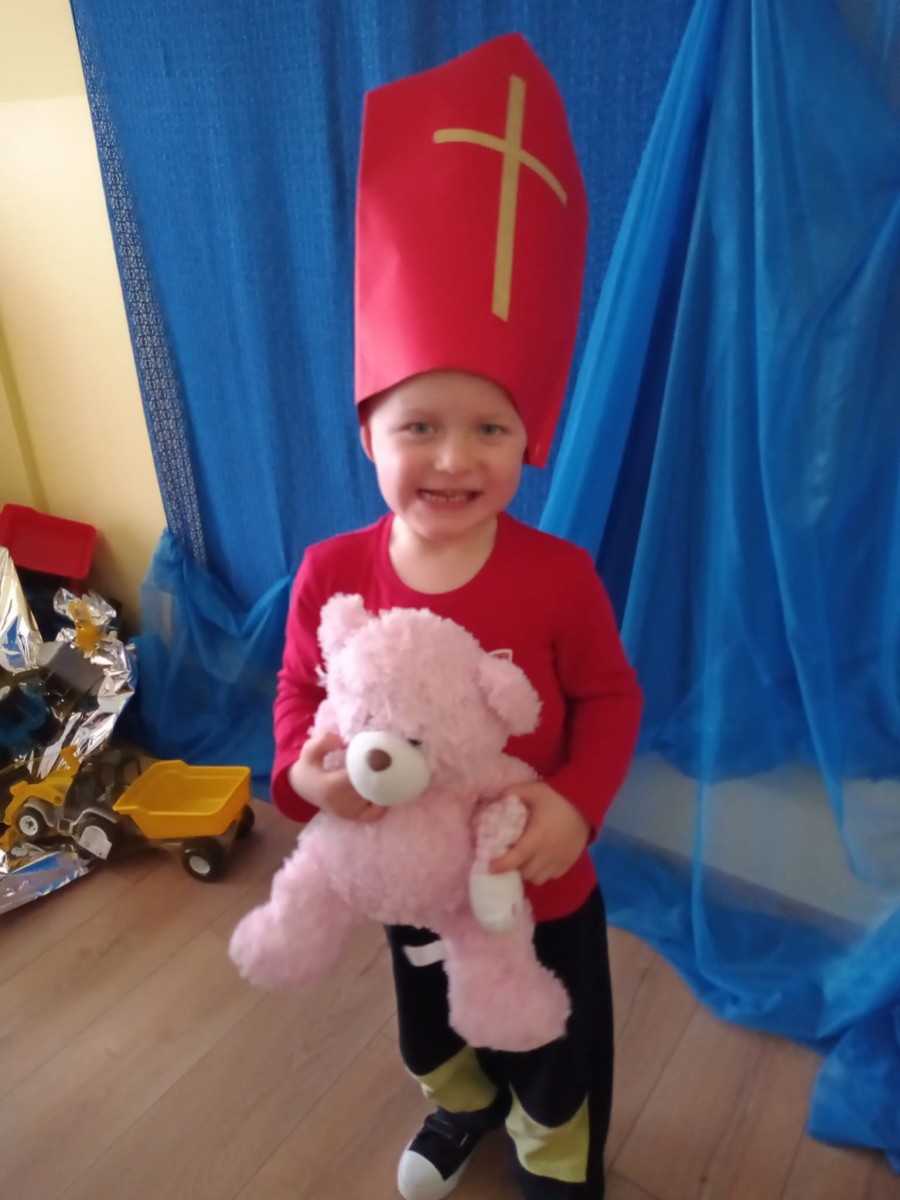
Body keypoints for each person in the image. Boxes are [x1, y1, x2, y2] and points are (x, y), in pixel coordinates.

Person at [271, 33, 643, 1200]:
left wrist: (574, 807)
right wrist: (303, 777)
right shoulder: (331, 570)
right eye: (419, 426)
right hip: (409, 874)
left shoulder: (558, 576)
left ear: (530, 439)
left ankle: (552, 1159)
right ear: (367, 433)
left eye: (490, 429)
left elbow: (611, 697)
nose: (452, 458)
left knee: (556, 1049)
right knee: (432, 1024)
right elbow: (299, 694)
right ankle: (462, 1105)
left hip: (540, 883)